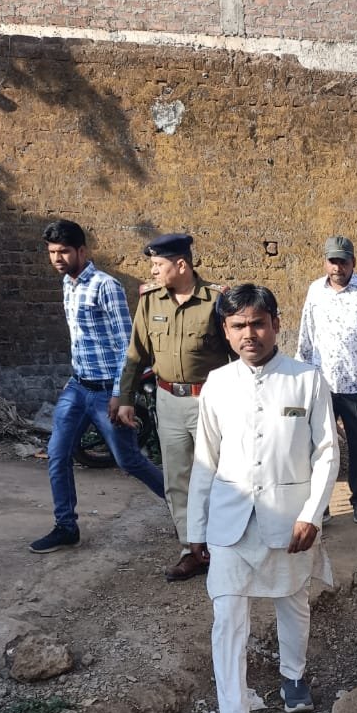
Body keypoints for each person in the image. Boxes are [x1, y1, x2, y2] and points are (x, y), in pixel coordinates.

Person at [186, 284, 339, 713]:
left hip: (289, 518)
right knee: (227, 618)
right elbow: (205, 459)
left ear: (275, 323)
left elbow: (326, 454)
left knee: (292, 598)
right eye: (238, 326)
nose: (248, 334)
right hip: (229, 521)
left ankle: (293, 676)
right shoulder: (217, 384)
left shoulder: (306, 379)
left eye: (257, 323)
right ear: (226, 331)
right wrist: (195, 528)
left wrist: (312, 513)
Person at [30, 220, 166, 553]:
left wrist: (121, 394)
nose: (57, 258)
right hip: (78, 387)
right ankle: (66, 527)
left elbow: (126, 346)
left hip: (107, 391)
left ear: (82, 251)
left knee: (129, 460)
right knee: (57, 454)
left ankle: (189, 510)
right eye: (52, 252)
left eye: (64, 251)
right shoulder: (68, 284)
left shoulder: (106, 286)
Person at [119, 234, 229, 582]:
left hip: (209, 401)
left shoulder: (216, 300)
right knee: (177, 479)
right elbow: (136, 353)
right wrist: (125, 398)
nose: (152, 271)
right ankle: (191, 550)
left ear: (181, 265)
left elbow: (235, 354)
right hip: (167, 400)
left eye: (158, 264)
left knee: (219, 477)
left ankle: (223, 547)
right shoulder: (150, 301)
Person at [296, 236, 357, 526]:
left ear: (353, 262)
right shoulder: (315, 291)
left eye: (343, 261)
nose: (337, 267)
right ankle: (321, 504)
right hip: (322, 386)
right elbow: (305, 338)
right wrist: (303, 378)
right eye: (333, 261)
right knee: (319, 446)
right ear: (325, 262)